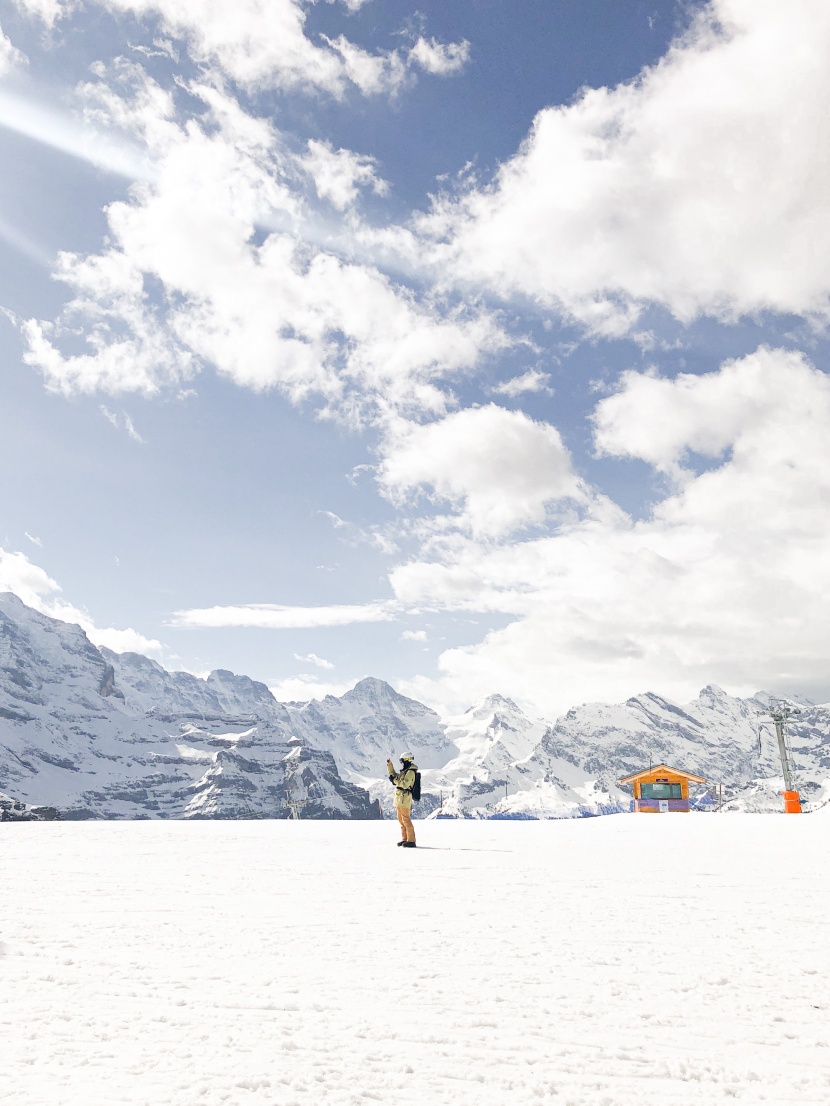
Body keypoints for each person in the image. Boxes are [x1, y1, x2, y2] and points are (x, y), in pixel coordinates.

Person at [387, 753, 417, 847]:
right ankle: (405, 839)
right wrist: (390, 766)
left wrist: (394, 781)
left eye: (402, 761)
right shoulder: (405, 771)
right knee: (401, 820)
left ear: (406, 760)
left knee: (406, 819)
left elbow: (404, 784)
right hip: (400, 798)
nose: (401, 763)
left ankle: (411, 840)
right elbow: (395, 776)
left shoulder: (410, 772)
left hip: (405, 798)